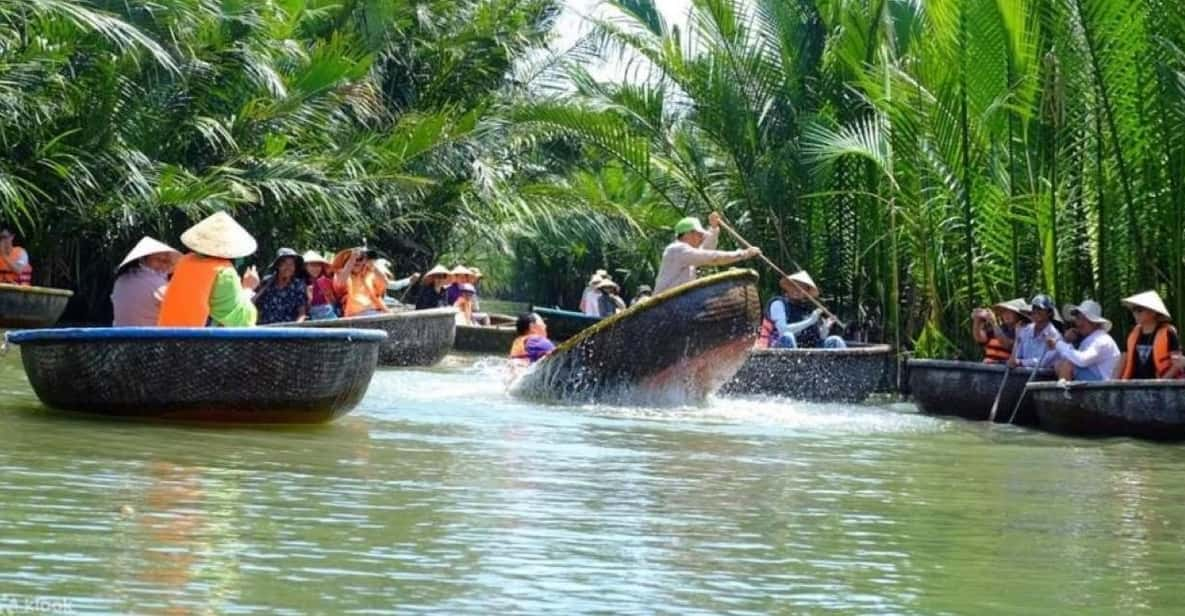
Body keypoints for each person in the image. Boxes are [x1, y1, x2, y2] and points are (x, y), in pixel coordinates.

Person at [157, 211, 260, 327]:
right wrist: (248, 289)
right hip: (199, 341)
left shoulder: (184, 262)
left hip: (168, 336)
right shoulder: (224, 273)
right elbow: (239, 319)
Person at [653, 212, 761, 294]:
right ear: (688, 234)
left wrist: (714, 228)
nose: (701, 238)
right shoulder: (677, 249)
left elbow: (706, 250)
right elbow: (712, 258)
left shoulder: (686, 253)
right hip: (665, 304)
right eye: (699, 235)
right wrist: (744, 253)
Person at [757, 271, 846, 349]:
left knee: (835, 340)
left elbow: (819, 338)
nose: (797, 290)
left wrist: (825, 328)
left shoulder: (807, 309)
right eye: (794, 286)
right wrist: (810, 321)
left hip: (808, 353)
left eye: (802, 288)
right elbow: (783, 330)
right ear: (788, 287)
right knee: (788, 336)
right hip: (782, 348)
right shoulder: (778, 304)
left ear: (806, 293)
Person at [111, 237, 181, 326]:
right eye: (158, 259)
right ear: (143, 258)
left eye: (167, 262)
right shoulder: (159, 285)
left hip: (120, 338)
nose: (164, 265)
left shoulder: (120, 280)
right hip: (152, 338)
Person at [1047, 300, 1121, 381]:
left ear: (1095, 323)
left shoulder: (1101, 340)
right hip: (1094, 378)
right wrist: (1067, 341)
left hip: (1103, 383)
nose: (1078, 323)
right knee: (1059, 364)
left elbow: (1082, 360)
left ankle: (1063, 393)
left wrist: (1059, 344)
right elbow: (1073, 357)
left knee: (1067, 365)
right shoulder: (1089, 339)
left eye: (1083, 319)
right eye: (1078, 319)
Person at [1119, 290, 1181, 379]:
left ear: (1153, 312)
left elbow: (1177, 364)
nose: (1135, 314)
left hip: (1160, 386)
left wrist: (1162, 382)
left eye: (1139, 310)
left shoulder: (1168, 333)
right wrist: (1112, 383)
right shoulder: (1132, 333)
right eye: (1133, 310)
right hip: (1133, 385)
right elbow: (1123, 360)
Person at [254, 248, 308, 325]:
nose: (288, 267)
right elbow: (253, 304)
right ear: (278, 265)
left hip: (288, 330)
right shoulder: (266, 282)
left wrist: (296, 327)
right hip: (266, 329)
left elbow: (302, 313)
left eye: (291, 264)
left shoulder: (298, 285)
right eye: (284, 263)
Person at [1009, 294, 1062, 369]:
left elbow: (1044, 362)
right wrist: (1017, 336)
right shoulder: (1025, 330)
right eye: (1034, 308)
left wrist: (1021, 362)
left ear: (1049, 313)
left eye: (1040, 308)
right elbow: (1016, 356)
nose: (1036, 311)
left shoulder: (1055, 336)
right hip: (1021, 373)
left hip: (1041, 378)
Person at [333, 248, 390, 317]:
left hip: (376, 311)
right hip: (355, 315)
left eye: (361, 259)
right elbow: (340, 282)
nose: (357, 261)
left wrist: (372, 265)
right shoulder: (341, 274)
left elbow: (386, 283)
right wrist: (352, 258)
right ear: (346, 262)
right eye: (354, 259)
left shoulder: (369, 274)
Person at [972, 299, 1029, 364]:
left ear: (1019, 315)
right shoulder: (999, 328)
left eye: (1010, 312)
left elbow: (1008, 345)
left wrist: (994, 323)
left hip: (1007, 371)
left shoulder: (1024, 330)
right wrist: (977, 320)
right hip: (987, 369)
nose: (1006, 315)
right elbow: (979, 338)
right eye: (1004, 311)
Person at [303, 251, 338, 320]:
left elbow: (333, 302)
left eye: (318, 265)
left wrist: (328, 294)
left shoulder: (325, 280)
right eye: (312, 265)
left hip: (329, 315)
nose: (316, 268)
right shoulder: (301, 283)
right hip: (312, 318)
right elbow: (303, 310)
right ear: (305, 266)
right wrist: (309, 298)